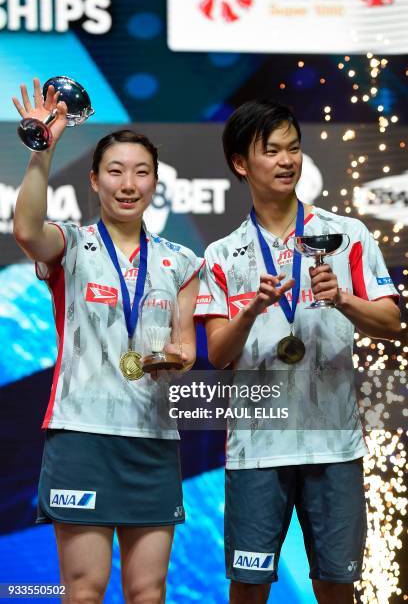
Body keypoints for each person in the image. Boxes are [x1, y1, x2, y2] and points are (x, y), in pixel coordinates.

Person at [194, 99, 401, 604]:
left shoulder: (346, 235)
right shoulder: (222, 254)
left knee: (336, 584)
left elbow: (394, 324)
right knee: (248, 587)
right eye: (272, 151)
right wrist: (252, 308)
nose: (287, 160)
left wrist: (344, 298)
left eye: (294, 148)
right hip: (256, 450)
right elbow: (219, 355)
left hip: (335, 444)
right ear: (242, 163)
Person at [12, 78, 203, 604]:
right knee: (84, 588)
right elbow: (27, 231)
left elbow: (185, 348)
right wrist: (42, 155)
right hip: (81, 436)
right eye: (115, 171)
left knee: (148, 590)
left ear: (155, 183)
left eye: (141, 172)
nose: (128, 183)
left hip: (152, 440)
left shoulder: (182, 263)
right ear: (94, 181)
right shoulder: (72, 244)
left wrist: (175, 359)